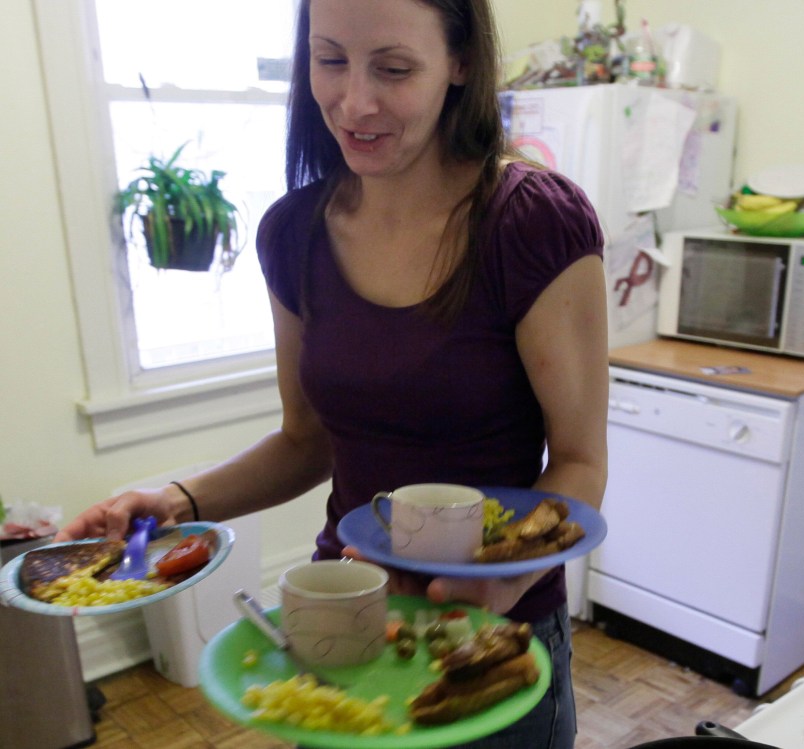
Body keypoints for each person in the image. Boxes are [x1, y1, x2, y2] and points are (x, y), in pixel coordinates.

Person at [56, 0, 608, 746]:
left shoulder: (530, 222)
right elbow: (305, 441)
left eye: (393, 68)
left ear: (461, 64)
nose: (352, 102)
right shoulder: (294, 232)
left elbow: (578, 459)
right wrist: (176, 501)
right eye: (328, 59)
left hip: (494, 635)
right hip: (348, 607)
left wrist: (501, 582)